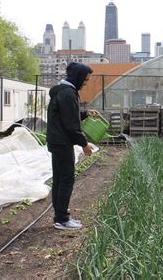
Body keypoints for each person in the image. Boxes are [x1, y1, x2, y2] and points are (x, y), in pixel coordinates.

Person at [46, 62, 99, 230]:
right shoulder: (68, 94)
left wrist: (84, 113)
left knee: (60, 179)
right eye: (85, 80)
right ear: (77, 77)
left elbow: (67, 116)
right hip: (62, 142)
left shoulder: (63, 92)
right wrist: (84, 143)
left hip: (57, 141)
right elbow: (70, 125)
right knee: (66, 179)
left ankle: (60, 216)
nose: (86, 83)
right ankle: (62, 219)